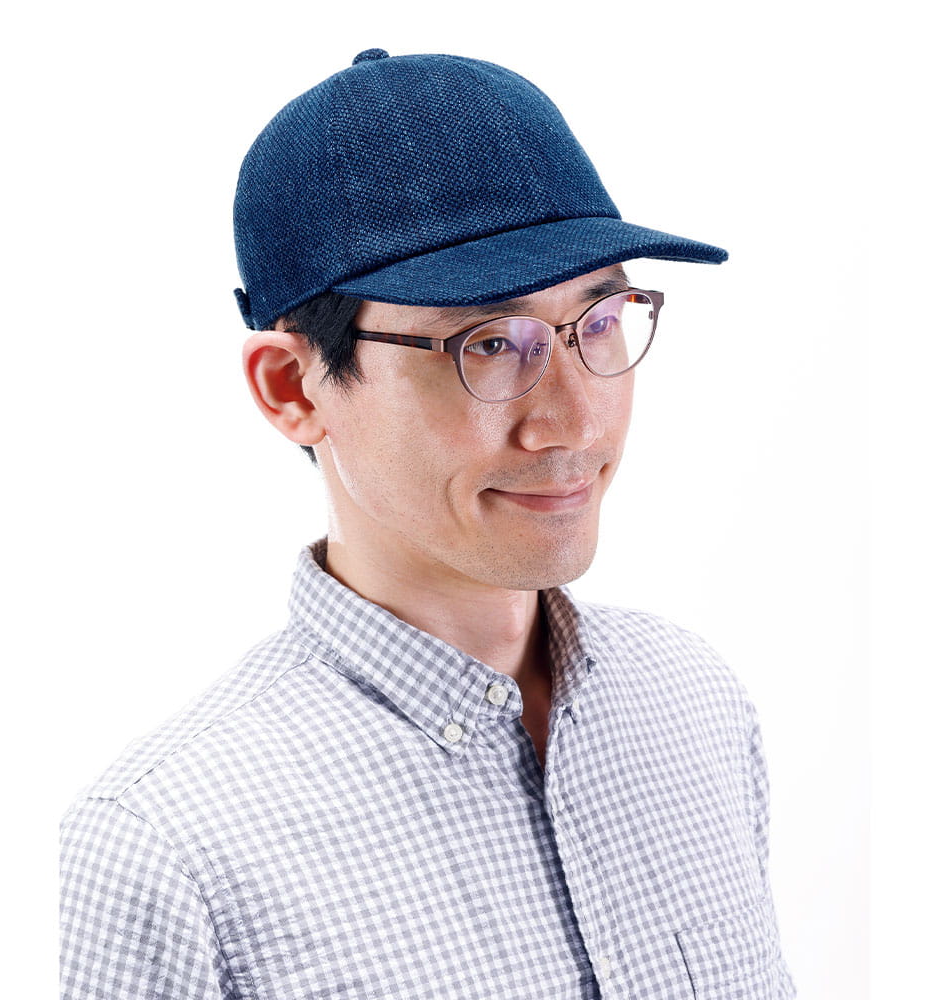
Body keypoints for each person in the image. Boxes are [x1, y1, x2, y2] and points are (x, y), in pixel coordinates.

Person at [60, 49, 795, 999]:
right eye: (487, 343)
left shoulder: (692, 702)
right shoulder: (166, 853)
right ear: (292, 389)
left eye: (599, 319)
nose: (574, 422)